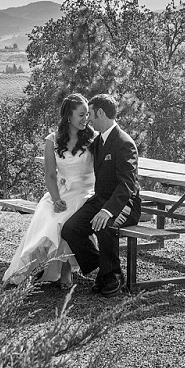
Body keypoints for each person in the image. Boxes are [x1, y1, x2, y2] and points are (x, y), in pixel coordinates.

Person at [2, 93, 96, 289]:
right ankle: (26, 271)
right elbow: (50, 175)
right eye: (81, 114)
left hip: (86, 193)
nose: (86, 119)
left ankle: (66, 270)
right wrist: (55, 199)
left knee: (67, 221)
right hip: (61, 191)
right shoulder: (53, 140)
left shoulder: (93, 138)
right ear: (68, 116)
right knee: (48, 216)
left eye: (87, 114)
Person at [61, 93, 141, 297]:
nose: (88, 119)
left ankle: (114, 274)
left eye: (91, 115)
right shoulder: (99, 141)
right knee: (70, 229)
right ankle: (103, 269)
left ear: (101, 113)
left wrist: (107, 210)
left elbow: (128, 184)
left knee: (103, 225)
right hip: (99, 201)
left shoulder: (124, 142)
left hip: (124, 204)